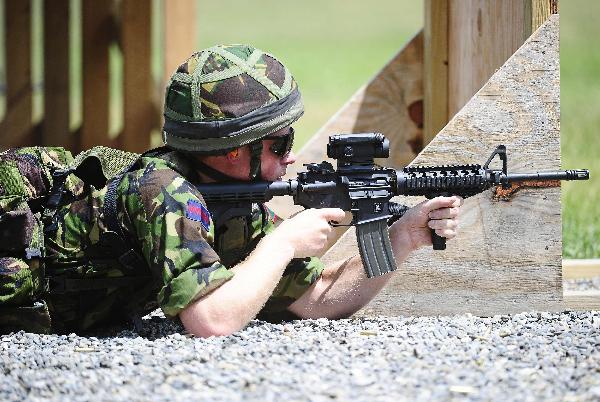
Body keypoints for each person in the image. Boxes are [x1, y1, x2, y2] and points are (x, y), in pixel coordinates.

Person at [1, 45, 462, 337]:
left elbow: (317, 297)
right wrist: (282, 245)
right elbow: (210, 321)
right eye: (280, 143)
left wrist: (405, 236)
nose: (291, 158)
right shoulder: (164, 190)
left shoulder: (235, 201)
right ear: (232, 152)